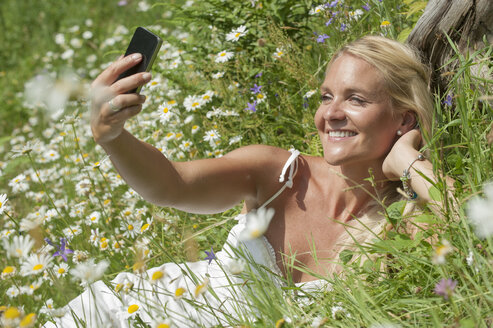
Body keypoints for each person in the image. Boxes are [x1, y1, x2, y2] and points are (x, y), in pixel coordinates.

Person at [44, 35, 443, 327]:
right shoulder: (278, 174)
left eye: (356, 99)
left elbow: (472, 241)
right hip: (144, 314)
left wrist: (409, 161)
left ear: (404, 118)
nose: (331, 114)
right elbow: (171, 185)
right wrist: (113, 138)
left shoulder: (403, 223)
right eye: (326, 96)